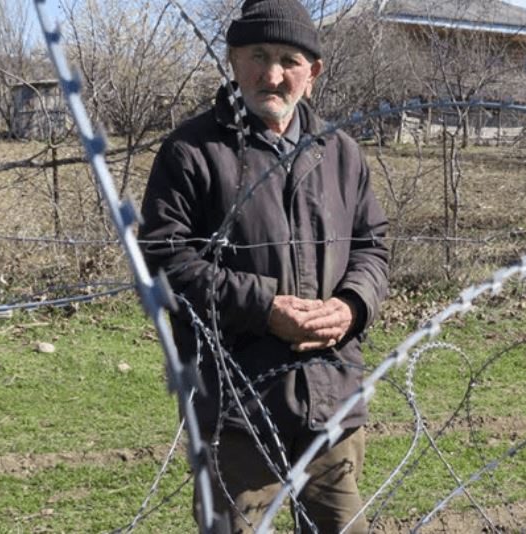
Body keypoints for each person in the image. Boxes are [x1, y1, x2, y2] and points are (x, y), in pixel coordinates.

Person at [138, 0, 389, 532]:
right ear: (233, 60)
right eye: (257, 55)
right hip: (237, 412)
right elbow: (163, 261)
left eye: (288, 59)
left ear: (313, 72)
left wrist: (351, 306)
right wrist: (265, 308)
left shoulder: (341, 153)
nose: (272, 75)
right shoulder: (192, 152)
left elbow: (372, 246)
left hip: (332, 404)